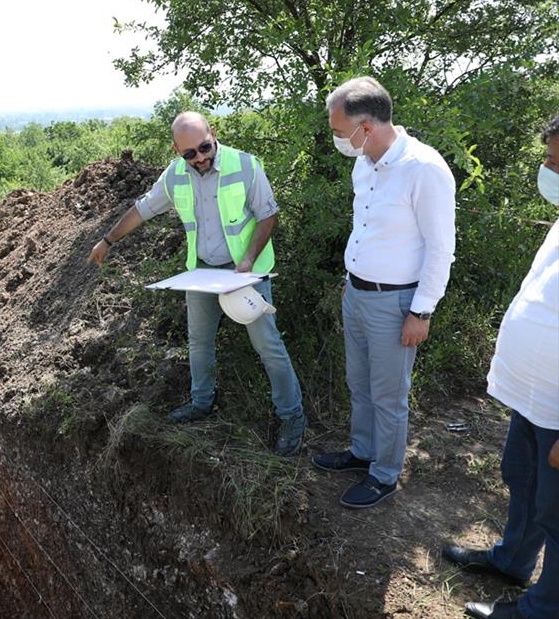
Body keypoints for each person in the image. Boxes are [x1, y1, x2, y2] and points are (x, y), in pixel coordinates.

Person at [87, 112, 306, 456]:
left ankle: (292, 417)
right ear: (176, 150)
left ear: (213, 133)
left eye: (205, 148)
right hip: (202, 272)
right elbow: (142, 210)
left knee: (268, 345)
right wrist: (107, 240)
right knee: (199, 342)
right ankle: (202, 403)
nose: (200, 158)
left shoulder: (244, 165)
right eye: (190, 153)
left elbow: (268, 214)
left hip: (245, 274)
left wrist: (247, 261)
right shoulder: (175, 176)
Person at [311, 77, 456, 508]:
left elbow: (440, 248)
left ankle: (384, 475)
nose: (337, 139)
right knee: (359, 383)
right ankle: (363, 451)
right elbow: (366, 228)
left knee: (389, 394)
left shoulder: (424, 168)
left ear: (366, 127)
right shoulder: (365, 163)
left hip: (396, 303)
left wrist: (421, 312)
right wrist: (350, 280)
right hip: (357, 295)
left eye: (339, 131)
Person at [441, 115, 559, 619]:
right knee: (522, 476)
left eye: (556, 162)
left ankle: (543, 609)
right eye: (548, 157)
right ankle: (512, 560)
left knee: (557, 510)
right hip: (534, 393)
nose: (547, 170)